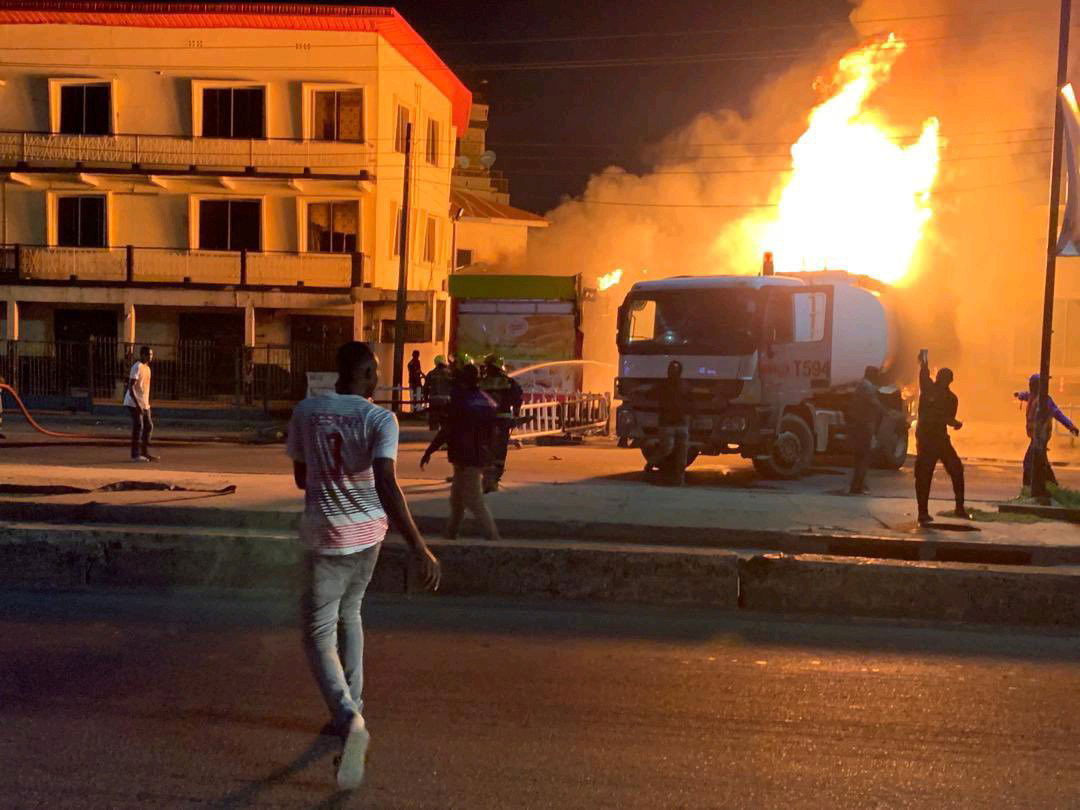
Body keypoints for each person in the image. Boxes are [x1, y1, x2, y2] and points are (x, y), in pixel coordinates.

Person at [287, 341, 440, 790]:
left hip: (325, 536)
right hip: (368, 534)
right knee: (350, 614)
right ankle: (353, 706)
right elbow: (386, 482)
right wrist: (419, 545)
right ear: (367, 373)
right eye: (375, 372)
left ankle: (348, 719)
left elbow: (301, 477)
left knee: (317, 631)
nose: (377, 379)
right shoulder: (379, 419)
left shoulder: (306, 411)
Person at [420, 363, 501, 541]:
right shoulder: (485, 400)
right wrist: (491, 457)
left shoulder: (461, 401)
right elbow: (493, 432)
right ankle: (450, 533)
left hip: (466, 456)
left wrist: (430, 450)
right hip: (475, 455)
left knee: (473, 499)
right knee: (457, 500)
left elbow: (448, 429)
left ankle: (492, 536)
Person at [914, 350, 966, 524]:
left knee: (949, 471)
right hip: (933, 439)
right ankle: (927, 512)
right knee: (931, 474)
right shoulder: (946, 396)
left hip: (934, 439)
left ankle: (956, 508)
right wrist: (955, 423)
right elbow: (948, 418)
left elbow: (923, 372)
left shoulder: (937, 392)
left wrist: (925, 360)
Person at [1015, 372, 1079, 491]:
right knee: (1041, 461)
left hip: (1041, 436)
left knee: (1029, 462)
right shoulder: (1033, 396)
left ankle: (1028, 488)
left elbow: (1058, 414)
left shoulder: (1045, 400)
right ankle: (1052, 486)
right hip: (1036, 436)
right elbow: (1025, 395)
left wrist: (1070, 426)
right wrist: (1019, 395)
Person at [641, 360, 692, 486]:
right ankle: (651, 463)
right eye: (672, 369)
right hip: (667, 423)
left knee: (682, 454)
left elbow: (691, 402)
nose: (673, 371)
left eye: (676, 369)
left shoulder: (684, 386)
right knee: (666, 448)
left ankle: (680, 479)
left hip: (681, 423)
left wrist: (693, 416)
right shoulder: (663, 385)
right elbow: (650, 394)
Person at [480, 354, 524, 493]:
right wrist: (516, 413)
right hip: (503, 420)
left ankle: (487, 478)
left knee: (486, 447)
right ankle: (494, 479)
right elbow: (518, 397)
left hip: (486, 420)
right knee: (499, 450)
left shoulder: (481, 382)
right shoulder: (509, 382)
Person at [848, 365, 886, 495]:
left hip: (860, 424)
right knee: (863, 457)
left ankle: (858, 485)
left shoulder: (862, 385)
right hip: (864, 426)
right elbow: (873, 403)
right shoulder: (867, 386)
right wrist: (885, 411)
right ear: (871, 375)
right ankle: (858, 487)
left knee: (859, 458)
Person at [122, 346, 156, 462]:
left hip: (144, 403)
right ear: (142, 355)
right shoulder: (137, 367)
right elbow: (131, 387)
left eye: (151, 355)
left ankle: (144, 453)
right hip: (133, 402)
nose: (150, 357)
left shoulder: (147, 368)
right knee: (139, 426)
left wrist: (146, 404)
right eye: (148, 355)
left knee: (149, 426)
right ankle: (135, 455)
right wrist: (137, 405)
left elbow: (145, 389)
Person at [423, 355, 453, 431]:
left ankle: (432, 438)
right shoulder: (450, 373)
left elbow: (425, 387)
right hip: (446, 401)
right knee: (446, 423)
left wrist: (425, 398)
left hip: (434, 401)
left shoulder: (431, 373)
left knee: (433, 422)